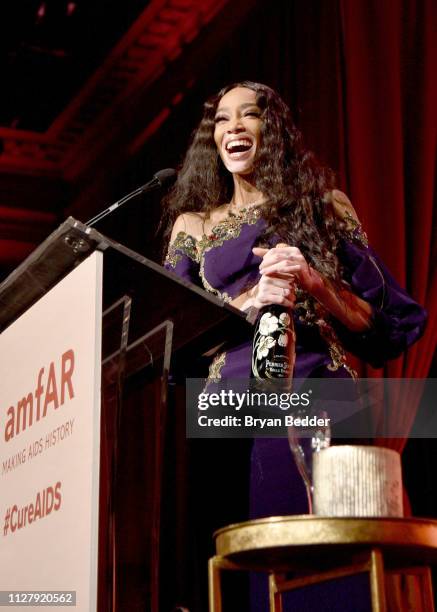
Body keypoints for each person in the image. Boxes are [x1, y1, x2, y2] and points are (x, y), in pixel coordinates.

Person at [161, 81, 427, 611]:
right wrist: (246, 302)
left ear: (273, 130)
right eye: (221, 120)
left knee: (325, 570)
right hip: (228, 413)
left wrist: (313, 280)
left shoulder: (324, 207)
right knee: (243, 571)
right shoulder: (193, 226)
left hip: (320, 399)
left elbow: (394, 323)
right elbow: (172, 335)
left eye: (250, 115)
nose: (233, 126)